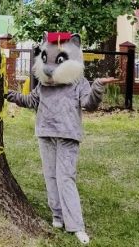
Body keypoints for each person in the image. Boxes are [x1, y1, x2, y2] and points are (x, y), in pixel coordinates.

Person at [6, 32, 103, 245]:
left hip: (68, 135)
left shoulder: (78, 82)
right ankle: (57, 216)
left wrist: (97, 88)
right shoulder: (43, 85)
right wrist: (11, 96)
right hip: (45, 133)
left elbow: (89, 104)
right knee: (50, 176)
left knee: (65, 178)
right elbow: (31, 101)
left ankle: (76, 225)